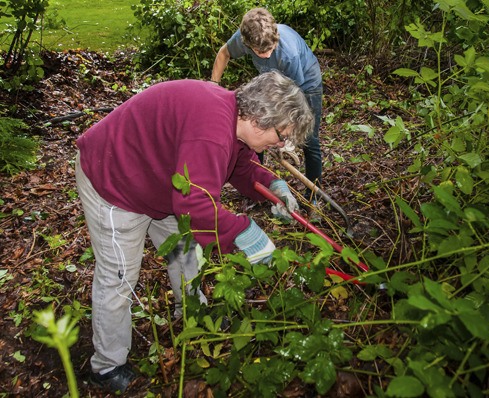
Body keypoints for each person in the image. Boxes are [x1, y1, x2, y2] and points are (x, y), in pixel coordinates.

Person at [75, 71, 313, 394]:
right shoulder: (212, 128)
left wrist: (272, 186)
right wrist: (245, 232)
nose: (281, 144)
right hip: (114, 178)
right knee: (118, 278)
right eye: (281, 135)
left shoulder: (233, 118)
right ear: (259, 120)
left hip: (158, 180)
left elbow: (238, 167)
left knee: (186, 252)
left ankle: (191, 311)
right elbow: (197, 209)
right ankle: (107, 365)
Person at [211, 7, 323, 209]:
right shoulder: (245, 37)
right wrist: (213, 86)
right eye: (260, 51)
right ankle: (258, 188)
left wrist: (288, 140)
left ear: (276, 36)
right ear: (247, 44)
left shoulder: (288, 55)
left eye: (270, 49)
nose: (266, 54)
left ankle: (313, 195)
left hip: (304, 85)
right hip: (271, 81)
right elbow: (223, 54)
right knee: (258, 128)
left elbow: (292, 98)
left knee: (309, 140)